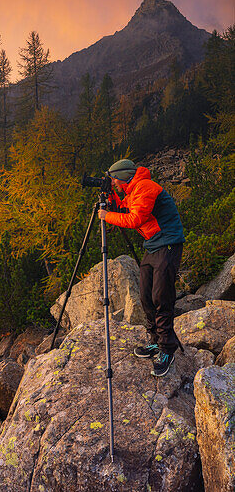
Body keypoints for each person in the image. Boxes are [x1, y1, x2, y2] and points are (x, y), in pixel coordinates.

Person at [97, 159, 185, 377]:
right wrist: (110, 198)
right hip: (153, 245)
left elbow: (135, 218)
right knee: (146, 296)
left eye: (115, 179)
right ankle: (155, 341)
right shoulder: (134, 189)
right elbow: (126, 206)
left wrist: (107, 216)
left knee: (160, 297)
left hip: (168, 244)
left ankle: (166, 349)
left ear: (124, 176)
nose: (114, 183)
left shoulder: (146, 187)